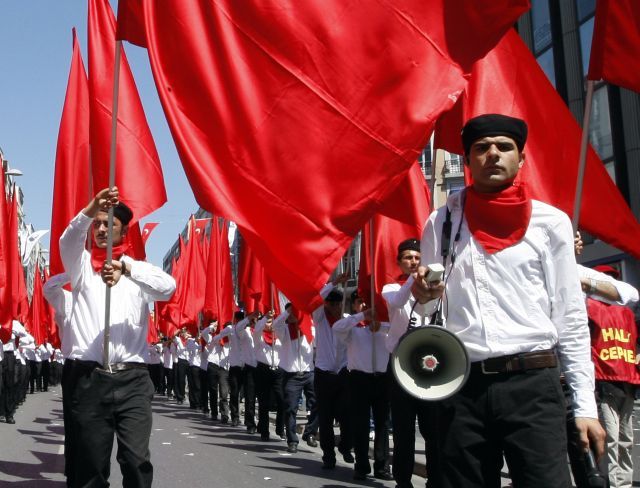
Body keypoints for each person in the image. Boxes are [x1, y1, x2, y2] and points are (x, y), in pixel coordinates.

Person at [410, 114, 605, 488]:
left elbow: (570, 316)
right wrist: (422, 296)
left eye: (504, 147)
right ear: (467, 161)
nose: (493, 155)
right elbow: (428, 308)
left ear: (521, 157)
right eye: (482, 148)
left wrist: (585, 406)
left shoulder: (551, 223)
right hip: (461, 386)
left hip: (533, 385)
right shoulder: (442, 222)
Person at [59, 186, 175, 487]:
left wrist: (126, 268)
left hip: (133, 381)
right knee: (92, 467)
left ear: (123, 233)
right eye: (96, 224)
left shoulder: (139, 273)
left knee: (137, 462)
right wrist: (92, 205)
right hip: (89, 380)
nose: (100, 229)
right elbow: (68, 239)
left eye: (108, 224)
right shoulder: (81, 267)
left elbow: (168, 288)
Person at [578, 262, 639, 488]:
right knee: (618, 438)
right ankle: (617, 483)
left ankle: (618, 483)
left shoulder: (593, 307)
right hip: (616, 381)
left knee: (618, 439)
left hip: (614, 380)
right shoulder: (624, 312)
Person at [382, 238, 435, 488]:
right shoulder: (391, 288)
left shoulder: (431, 288)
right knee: (404, 429)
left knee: (432, 427)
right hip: (400, 365)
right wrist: (415, 279)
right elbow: (398, 302)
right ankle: (403, 480)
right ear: (399, 262)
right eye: (408, 258)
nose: (414, 262)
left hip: (428, 364)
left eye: (417, 257)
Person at [333, 291, 393, 481]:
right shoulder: (352, 326)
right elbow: (336, 327)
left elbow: (397, 331)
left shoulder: (385, 324)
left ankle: (382, 466)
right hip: (358, 378)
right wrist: (362, 316)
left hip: (382, 378)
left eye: (368, 302)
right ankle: (361, 465)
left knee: (383, 423)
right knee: (360, 423)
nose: (365, 305)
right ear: (354, 306)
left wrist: (379, 325)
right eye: (360, 302)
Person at [312, 274, 354, 468]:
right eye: (331, 303)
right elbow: (317, 298)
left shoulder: (347, 321)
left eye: (337, 304)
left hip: (344, 374)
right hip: (324, 373)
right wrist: (335, 282)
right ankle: (328, 456)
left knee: (347, 415)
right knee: (326, 418)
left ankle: (346, 446)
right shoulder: (319, 318)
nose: (334, 307)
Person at [273, 303, 318, 454]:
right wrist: (288, 311)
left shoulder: (310, 329)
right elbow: (276, 324)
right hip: (292, 376)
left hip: (309, 372)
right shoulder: (284, 330)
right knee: (290, 409)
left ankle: (310, 433)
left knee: (316, 404)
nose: (294, 316)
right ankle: (292, 440)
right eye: (293, 314)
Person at [253, 310, 286, 441]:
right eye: (267, 322)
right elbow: (257, 329)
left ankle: (280, 428)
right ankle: (264, 431)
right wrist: (265, 317)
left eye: (271, 322)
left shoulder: (280, 336)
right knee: (264, 402)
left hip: (278, 370)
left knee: (282, 401)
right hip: (263, 369)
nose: (270, 325)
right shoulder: (258, 336)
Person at [202, 320, 231, 423]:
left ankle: (224, 414)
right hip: (212, 365)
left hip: (223, 367)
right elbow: (203, 333)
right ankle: (214, 413)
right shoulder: (212, 337)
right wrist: (212, 325)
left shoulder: (229, 339)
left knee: (224, 393)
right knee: (213, 391)